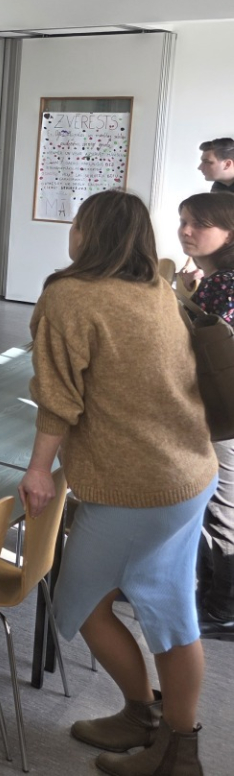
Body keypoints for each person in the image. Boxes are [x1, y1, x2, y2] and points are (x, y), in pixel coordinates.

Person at [19, 191, 218, 776]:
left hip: (136, 486)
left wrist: (38, 469)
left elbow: (58, 397)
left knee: (80, 603)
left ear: (88, 234)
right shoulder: (156, 286)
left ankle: (157, 732)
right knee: (172, 613)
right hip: (189, 473)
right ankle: (164, 734)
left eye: (77, 223)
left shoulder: (70, 295)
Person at [176, 192, 234, 639]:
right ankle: (213, 593)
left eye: (199, 224)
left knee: (222, 506)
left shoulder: (225, 284)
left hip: (222, 410)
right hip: (217, 406)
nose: (186, 231)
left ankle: (224, 606)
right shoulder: (214, 280)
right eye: (183, 221)